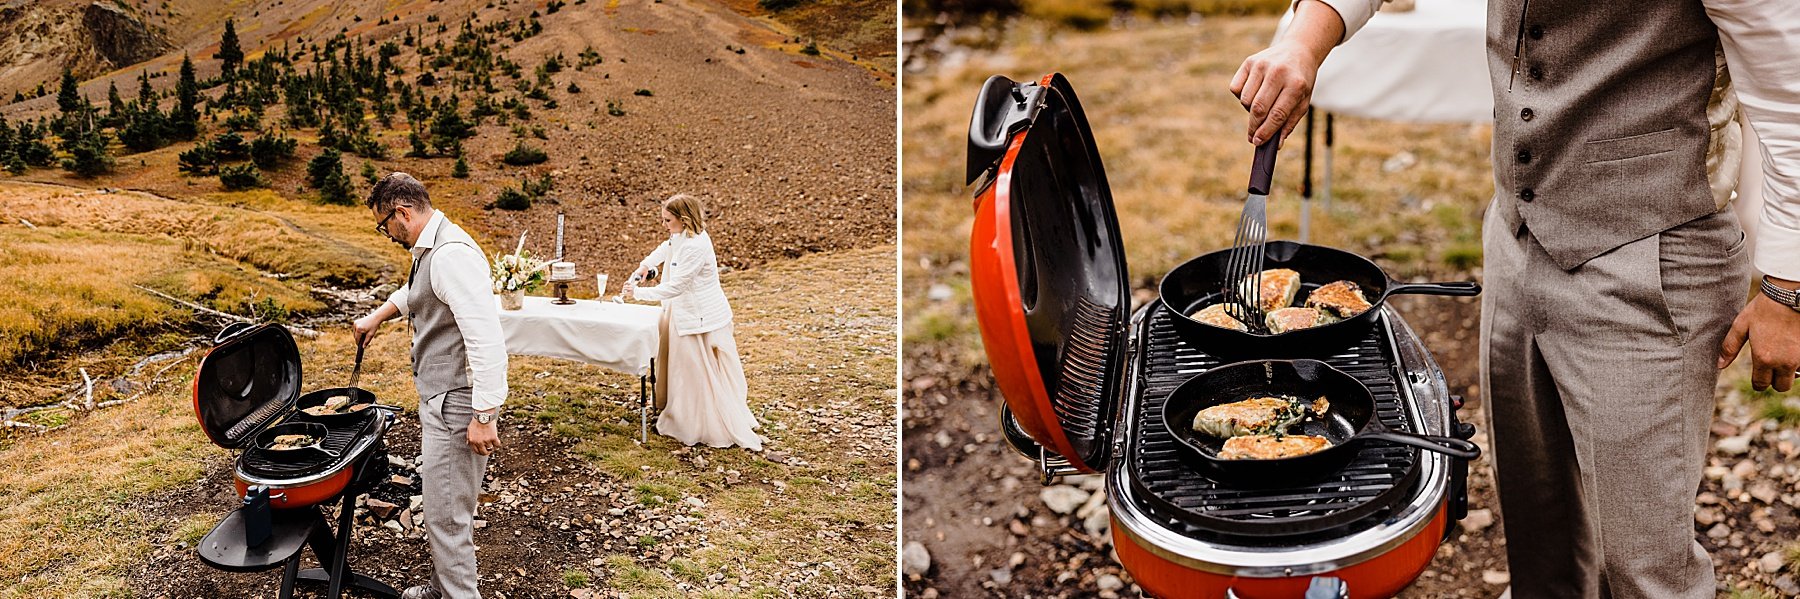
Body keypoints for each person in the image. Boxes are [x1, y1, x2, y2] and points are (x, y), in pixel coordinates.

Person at [1233, 2, 1800, 597]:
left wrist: (1787, 287)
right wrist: (1304, 41)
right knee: (1538, 534)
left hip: (1649, 250)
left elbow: (1790, 93)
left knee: (1645, 570)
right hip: (1515, 229)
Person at [351, 173, 508, 599]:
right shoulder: (432, 247)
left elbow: (486, 339)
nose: (386, 235)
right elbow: (418, 291)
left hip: (457, 403)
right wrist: (377, 316)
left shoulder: (450, 255)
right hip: (442, 398)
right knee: (443, 504)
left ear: (402, 213)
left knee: (447, 517)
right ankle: (442, 589)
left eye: (385, 225)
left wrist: (484, 416)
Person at [624, 194, 762, 450]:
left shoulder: (696, 247)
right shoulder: (683, 235)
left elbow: (677, 286)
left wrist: (639, 294)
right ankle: (680, 409)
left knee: (694, 371)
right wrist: (646, 266)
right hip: (685, 314)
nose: (664, 225)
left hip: (699, 318)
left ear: (683, 218)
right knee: (683, 368)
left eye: (668, 220)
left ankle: (699, 421)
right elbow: (667, 246)